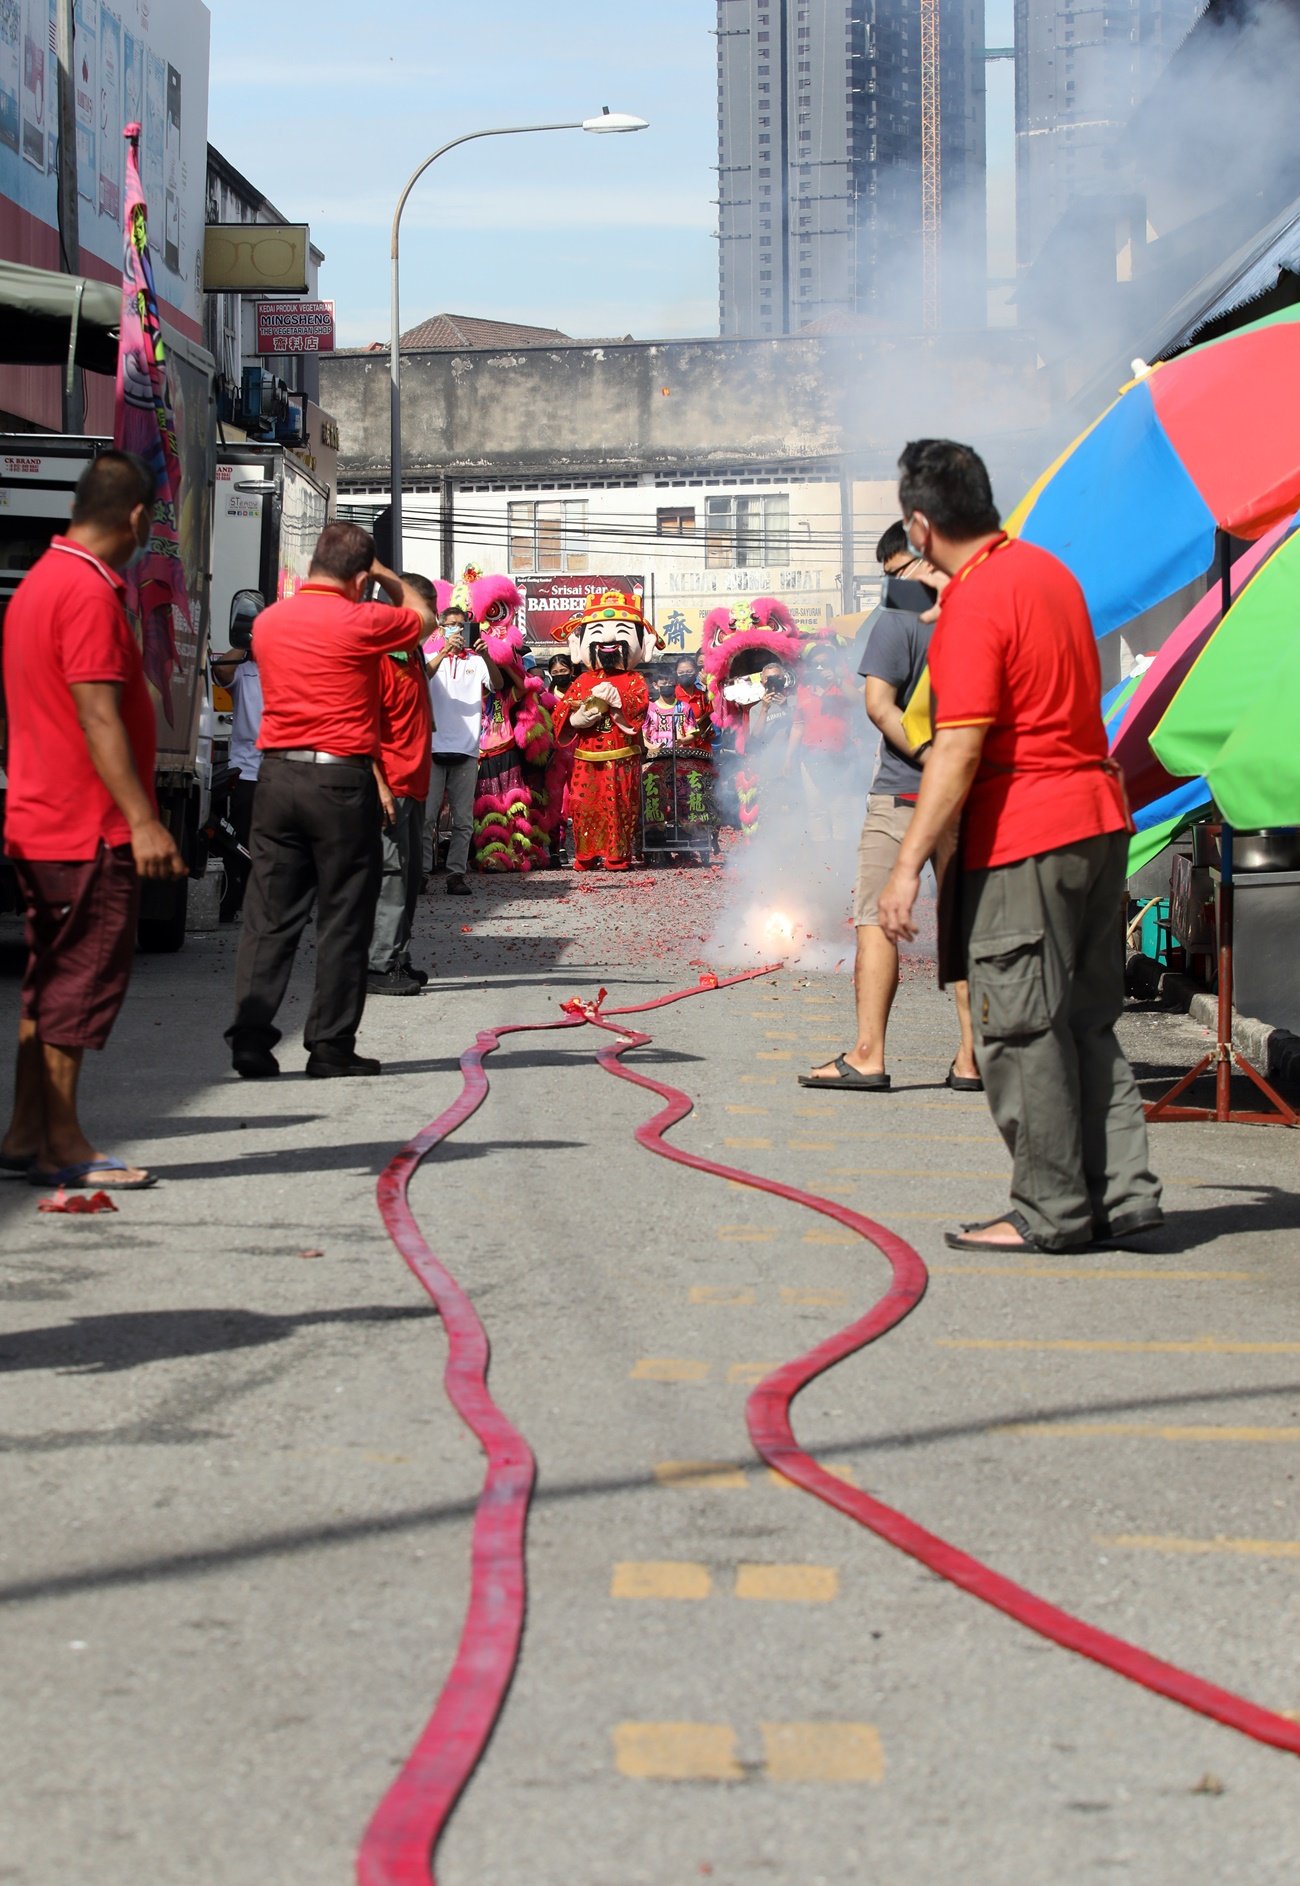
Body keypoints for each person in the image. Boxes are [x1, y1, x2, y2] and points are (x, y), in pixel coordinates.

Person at [877, 438, 1163, 1253]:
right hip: (1099, 822)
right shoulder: (1048, 573)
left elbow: (959, 747)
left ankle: (1050, 1210)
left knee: (1021, 1029)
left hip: (1029, 833)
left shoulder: (975, 603)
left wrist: (905, 869)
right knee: (1087, 1023)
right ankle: (1124, 1198)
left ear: (921, 528)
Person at [0, 450, 185, 1188]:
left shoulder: (44, 581)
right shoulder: (82, 590)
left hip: (47, 815)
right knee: (76, 981)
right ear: (136, 517)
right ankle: (63, 1144)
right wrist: (143, 820)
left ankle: (24, 1133)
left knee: (48, 982)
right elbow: (97, 715)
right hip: (85, 825)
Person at [225, 522, 436, 1079]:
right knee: (344, 915)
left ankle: (250, 1038)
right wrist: (387, 576)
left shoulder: (269, 622)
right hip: (340, 781)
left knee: (268, 915)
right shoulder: (361, 620)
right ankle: (329, 1045)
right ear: (360, 576)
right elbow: (424, 618)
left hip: (275, 775)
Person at [803, 522, 980, 1094]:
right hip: (972, 796)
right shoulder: (984, 615)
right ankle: (973, 1061)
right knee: (965, 927)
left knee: (876, 923)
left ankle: (869, 1055)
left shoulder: (896, 622)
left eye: (896, 573)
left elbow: (880, 708)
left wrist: (930, 756)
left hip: (905, 794)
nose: (893, 587)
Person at [552, 589, 654, 871]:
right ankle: (586, 853)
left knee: (620, 806)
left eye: (621, 632)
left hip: (622, 756)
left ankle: (617, 854)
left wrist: (617, 703)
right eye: (598, 632)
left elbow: (639, 710)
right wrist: (577, 718)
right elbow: (561, 713)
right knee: (585, 806)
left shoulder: (635, 679)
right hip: (586, 758)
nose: (608, 640)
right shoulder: (582, 679)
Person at [367, 573, 435, 993]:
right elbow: (361, 730)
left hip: (415, 786)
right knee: (390, 877)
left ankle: (397, 956)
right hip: (390, 787)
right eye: (424, 610)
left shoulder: (411, 657)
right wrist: (379, 786)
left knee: (408, 880)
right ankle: (378, 965)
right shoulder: (377, 660)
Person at [424, 600, 505, 893]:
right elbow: (420, 678)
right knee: (427, 817)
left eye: (462, 626)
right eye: (451, 626)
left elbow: (497, 684)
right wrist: (444, 652)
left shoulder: (475, 661)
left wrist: (487, 658)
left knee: (462, 821)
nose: (456, 631)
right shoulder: (429, 654)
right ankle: (422, 872)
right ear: (441, 628)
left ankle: (455, 874)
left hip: (467, 749)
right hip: (431, 748)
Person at [211, 627, 264, 921]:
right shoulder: (244, 671)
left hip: (279, 769)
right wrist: (245, 642)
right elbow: (223, 673)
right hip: (246, 769)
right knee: (239, 840)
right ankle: (234, 898)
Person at [642, 658, 715, 862]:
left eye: (669, 682)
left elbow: (693, 732)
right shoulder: (650, 709)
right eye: (661, 682)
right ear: (655, 685)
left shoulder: (684, 708)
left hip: (683, 758)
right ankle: (656, 842)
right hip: (658, 760)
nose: (666, 685)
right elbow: (645, 735)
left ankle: (691, 841)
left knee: (688, 797)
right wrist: (653, 748)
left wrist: (682, 740)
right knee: (655, 797)